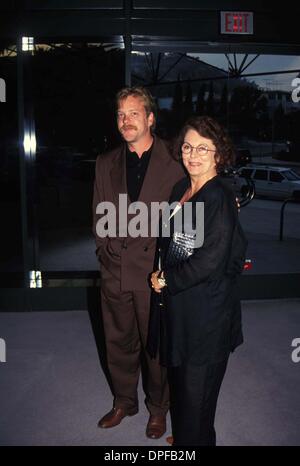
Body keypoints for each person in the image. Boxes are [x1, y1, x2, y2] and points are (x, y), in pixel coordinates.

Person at [148, 116, 248, 446]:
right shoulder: (185, 189)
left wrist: (165, 279)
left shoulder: (218, 196)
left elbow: (210, 261)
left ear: (219, 154)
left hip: (206, 319)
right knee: (187, 400)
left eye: (203, 148)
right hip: (184, 312)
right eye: (189, 146)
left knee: (197, 402)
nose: (193, 154)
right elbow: (182, 242)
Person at [92, 86, 184, 439]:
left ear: (150, 118)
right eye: (120, 114)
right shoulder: (105, 163)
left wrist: (171, 270)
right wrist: (105, 254)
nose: (126, 121)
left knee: (156, 348)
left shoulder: (175, 162)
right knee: (118, 341)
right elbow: (100, 215)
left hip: (154, 274)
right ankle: (123, 401)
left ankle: (158, 409)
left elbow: (186, 220)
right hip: (115, 270)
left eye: (133, 113)